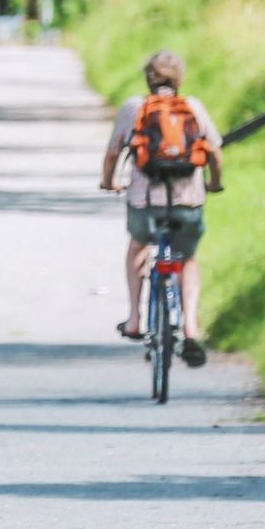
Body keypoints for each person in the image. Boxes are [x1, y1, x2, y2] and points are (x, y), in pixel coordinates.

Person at [99, 50, 223, 366]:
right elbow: (213, 151)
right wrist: (214, 182)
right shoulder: (192, 107)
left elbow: (113, 153)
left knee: (138, 247)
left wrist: (108, 181)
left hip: (144, 203)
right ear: (178, 78)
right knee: (188, 259)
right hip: (187, 202)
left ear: (148, 78)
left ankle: (134, 318)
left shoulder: (133, 108)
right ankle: (191, 328)